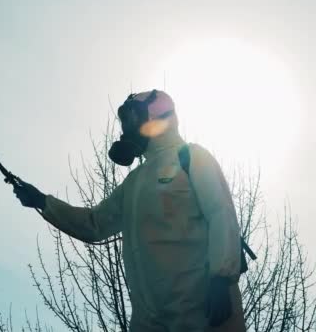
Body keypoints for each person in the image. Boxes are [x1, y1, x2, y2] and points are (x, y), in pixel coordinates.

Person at [14, 90, 246, 331]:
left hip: (202, 312)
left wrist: (221, 278)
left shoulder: (191, 157)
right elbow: (95, 224)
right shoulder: (134, 182)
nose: (125, 129)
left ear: (155, 117)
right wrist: (43, 202)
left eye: (131, 119)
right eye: (123, 122)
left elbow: (221, 213)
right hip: (149, 321)